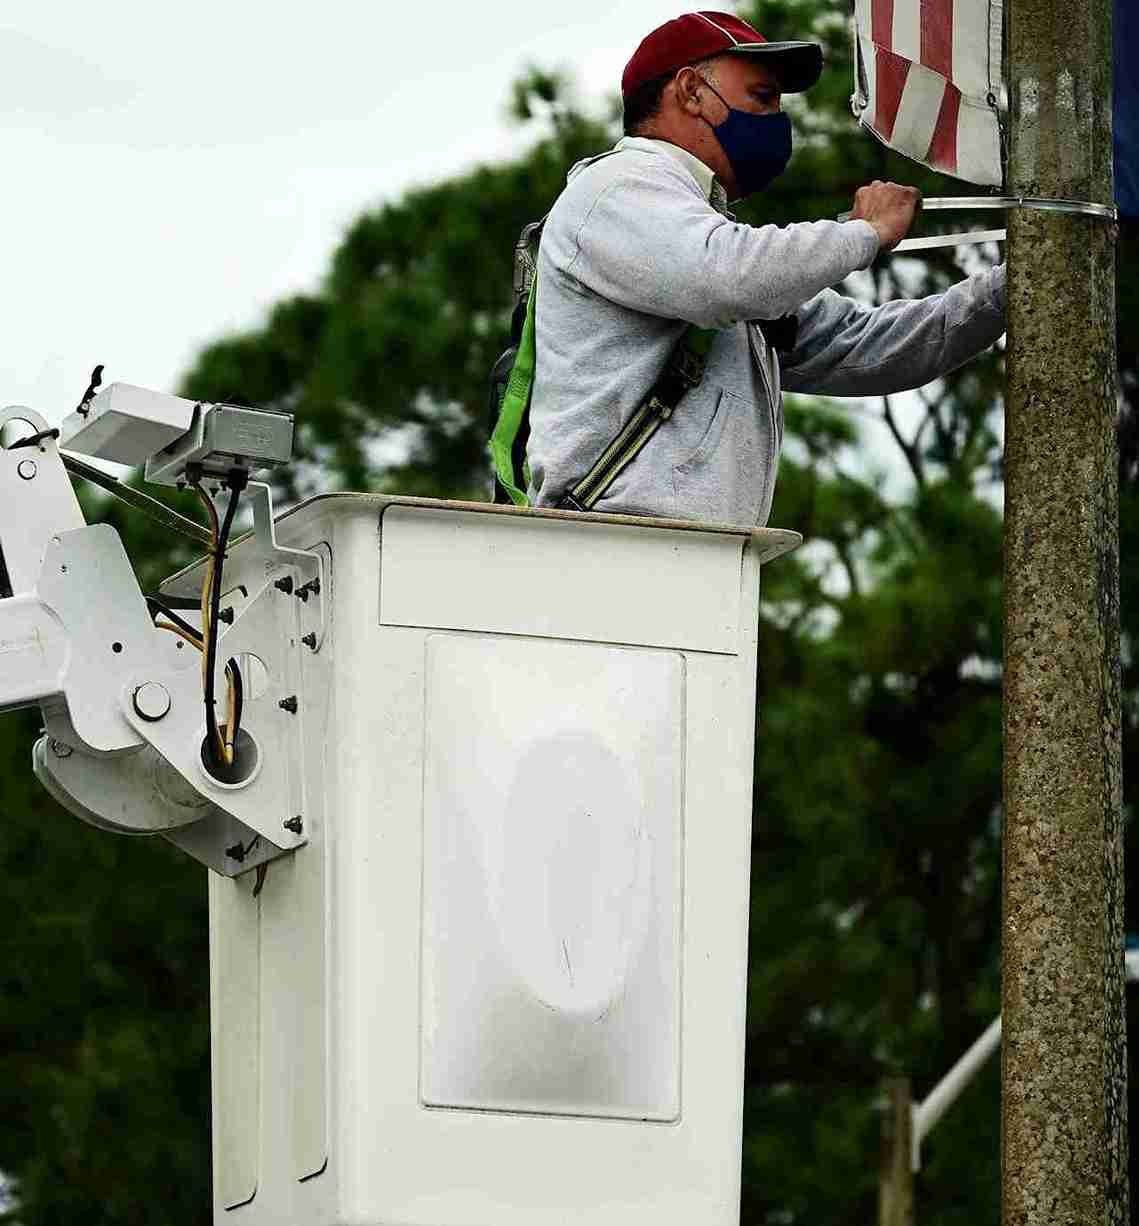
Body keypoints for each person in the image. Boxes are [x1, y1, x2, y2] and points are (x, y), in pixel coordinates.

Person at [524, 10, 1006, 525]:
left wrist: (1017, 284)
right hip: (616, 550)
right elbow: (725, 275)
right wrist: (866, 233)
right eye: (761, 98)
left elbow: (876, 346)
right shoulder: (619, 187)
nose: (777, 121)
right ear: (690, 91)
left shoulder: (703, 240)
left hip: (686, 558)